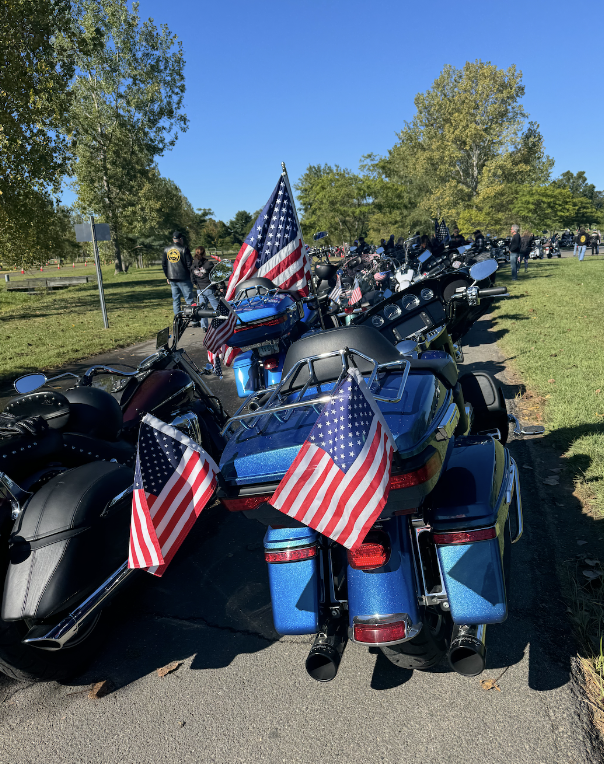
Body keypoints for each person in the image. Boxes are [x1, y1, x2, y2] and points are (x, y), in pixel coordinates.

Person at [163, 231, 195, 316]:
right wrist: (191, 276)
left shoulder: (166, 249)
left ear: (173, 239)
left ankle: (177, 318)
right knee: (189, 299)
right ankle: (192, 319)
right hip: (184, 278)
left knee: (176, 299)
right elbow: (189, 264)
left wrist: (167, 276)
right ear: (180, 239)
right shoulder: (184, 249)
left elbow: (164, 265)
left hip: (172, 277)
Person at [190, 246, 218, 329]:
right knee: (216, 307)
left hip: (200, 289)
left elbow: (192, 279)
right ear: (204, 253)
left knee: (202, 310)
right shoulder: (209, 264)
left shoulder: (193, 266)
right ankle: (221, 322)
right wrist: (218, 286)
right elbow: (215, 276)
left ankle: (204, 326)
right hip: (209, 287)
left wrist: (197, 284)